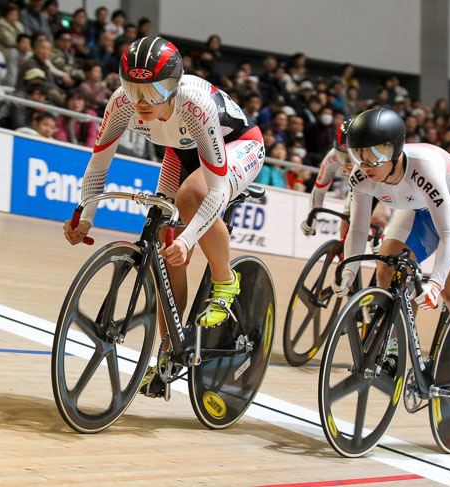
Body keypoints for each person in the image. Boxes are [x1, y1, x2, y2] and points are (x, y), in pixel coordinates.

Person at [62, 37, 265, 394]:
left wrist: (188, 240)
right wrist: (86, 216)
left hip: (238, 144)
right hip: (180, 148)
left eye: (155, 90)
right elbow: (97, 166)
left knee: (192, 198)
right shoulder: (121, 104)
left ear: (174, 86)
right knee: (161, 237)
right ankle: (171, 350)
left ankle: (225, 281)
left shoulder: (195, 103)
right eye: (133, 87)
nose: (142, 101)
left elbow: (215, 191)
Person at [332, 108, 450, 405]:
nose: (367, 163)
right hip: (418, 207)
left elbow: (449, 234)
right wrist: (349, 272)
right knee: (386, 269)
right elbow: (360, 227)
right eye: (358, 154)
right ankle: (393, 350)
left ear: (396, 150)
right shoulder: (362, 175)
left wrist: (436, 283)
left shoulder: (424, 168)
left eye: (377, 153)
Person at [301, 119, 390, 239]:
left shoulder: (375, 156)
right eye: (342, 155)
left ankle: (380, 247)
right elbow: (319, 190)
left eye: (352, 156)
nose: (348, 163)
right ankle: (344, 253)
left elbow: (390, 186)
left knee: (379, 219)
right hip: (359, 184)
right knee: (348, 218)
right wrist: (312, 216)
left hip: (384, 186)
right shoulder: (332, 158)